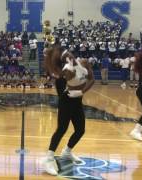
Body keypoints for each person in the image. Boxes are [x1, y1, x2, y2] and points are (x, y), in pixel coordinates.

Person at [43, 46, 95, 176]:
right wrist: (68, 90)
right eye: (66, 56)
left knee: (80, 130)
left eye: (69, 53)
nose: (69, 56)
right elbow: (60, 89)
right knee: (61, 129)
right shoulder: (66, 71)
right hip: (67, 100)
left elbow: (92, 79)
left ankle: (67, 152)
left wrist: (81, 92)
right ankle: (48, 158)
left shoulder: (84, 63)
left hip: (78, 99)